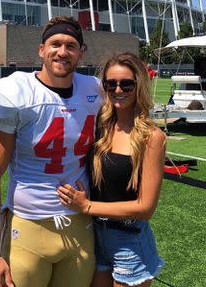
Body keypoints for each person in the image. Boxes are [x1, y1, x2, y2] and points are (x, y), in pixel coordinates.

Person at [0, 15, 103, 287]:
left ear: (81, 53)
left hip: (80, 226)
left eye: (71, 45)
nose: (62, 51)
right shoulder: (15, 92)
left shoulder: (95, 90)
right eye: (55, 43)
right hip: (28, 225)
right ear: (41, 50)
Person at [58, 52, 166, 287]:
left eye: (126, 84)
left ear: (139, 86)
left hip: (129, 241)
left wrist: (87, 206)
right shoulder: (101, 127)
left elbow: (145, 208)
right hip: (94, 235)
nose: (118, 90)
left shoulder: (151, 137)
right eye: (111, 84)